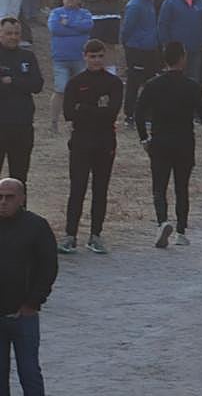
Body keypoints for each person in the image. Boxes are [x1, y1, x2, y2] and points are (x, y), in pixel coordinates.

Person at [135, 40, 202, 249]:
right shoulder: (191, 86)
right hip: (184, 141)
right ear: (183, 58)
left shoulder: (153, 85)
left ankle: (162, 221)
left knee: (159, 186)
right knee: (182, 187)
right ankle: (181, 231)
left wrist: (144, 138)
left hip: (160, 140)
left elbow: (138, 113)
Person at [56, 37, 122, 256]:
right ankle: (70, 235)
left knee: (100, 189)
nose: (96, 60)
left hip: (104, 142)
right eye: (92, 56)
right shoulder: (75, 82)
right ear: (85, 57)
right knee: (77, 188)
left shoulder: (113, 83)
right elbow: (69, 113)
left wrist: (84, 109)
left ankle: (96, 235)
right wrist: (94, 110)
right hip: (81, 141)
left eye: (100, 56)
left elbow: (111, 112)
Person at [0, 177, 57, 396]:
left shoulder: (36, 226)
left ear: (22, 199)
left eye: (10, 197)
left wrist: (33, 302)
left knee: (29, 372)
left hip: (24, 315)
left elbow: (48, 267)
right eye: (0, 197)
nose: (3, 202)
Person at [0, 16, 43, 185]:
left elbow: (37, 84)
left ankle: (20, 211)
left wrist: (12, 81)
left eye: (17, 33)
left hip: (22, 125)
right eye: (9, 33)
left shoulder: (28, 56)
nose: (13, 37)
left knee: (19, 177)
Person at [47, 0, 93, 134]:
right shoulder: (56, 13)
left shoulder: (85, 13)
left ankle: (78, 121)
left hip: (80, 58)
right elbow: (55, 29)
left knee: (80, 91)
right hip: (61, 58)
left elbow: (88, 26)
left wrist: (68, 24)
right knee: (60, 90)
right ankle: (54, 122)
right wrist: (76, 30)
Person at [156, 0, 202, 85]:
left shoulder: (199, 1)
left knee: (194, 80)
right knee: (175, 82)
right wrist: (166, 45)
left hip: (195, 48)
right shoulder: (170, 2)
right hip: (177, 51)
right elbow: (162, 24)